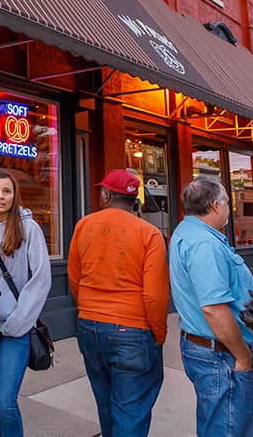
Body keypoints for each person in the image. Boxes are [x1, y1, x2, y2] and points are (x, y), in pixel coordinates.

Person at [68, 168, 169, 437]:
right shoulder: (149, 233)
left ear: (105, 195)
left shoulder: (83, 226)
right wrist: (159, 333)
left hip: (90, 325)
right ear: (134, 199)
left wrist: (89, 309)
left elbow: (75, 279)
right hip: (133, 329)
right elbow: (155, 294)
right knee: (131, 410)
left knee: (106, 404)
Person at [169, 175, 253, 437]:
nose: (230, 208)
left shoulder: (189, 232)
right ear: (215, 206)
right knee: (230, 429)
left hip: (209, 349)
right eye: (228, 202)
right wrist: (243, 356)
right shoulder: (204, 244)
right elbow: (214, 308)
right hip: (220, 354)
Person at [0, 170, 51, 437]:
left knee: (5, 402)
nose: (1, 197)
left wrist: (18, 322)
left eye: (6, 191)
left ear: (15, 194)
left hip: (16, 330)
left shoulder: (29, 228)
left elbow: (40, 279)